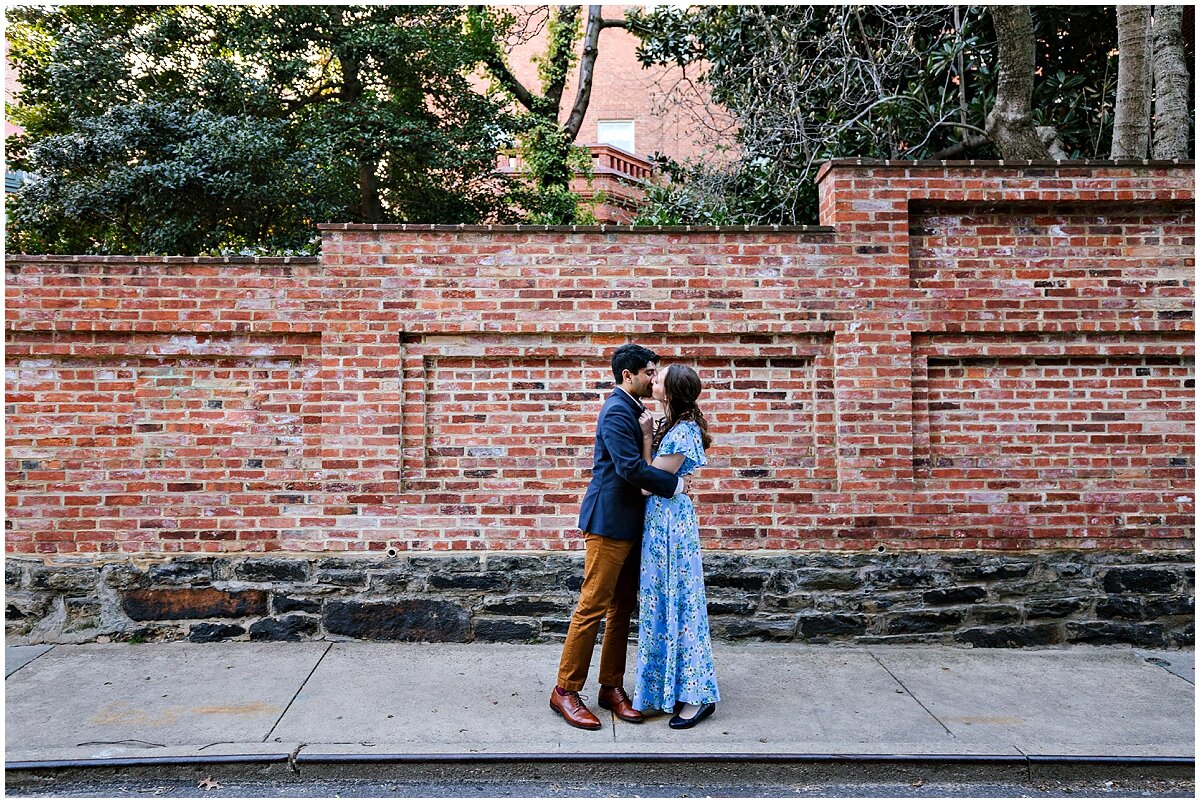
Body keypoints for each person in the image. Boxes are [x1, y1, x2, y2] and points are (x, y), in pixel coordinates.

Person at [549, 344, 689, 731]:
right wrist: (674, 485)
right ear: (627, 375)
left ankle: (610, 687)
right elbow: (629, 469)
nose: (653, 377)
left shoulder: (636, 411)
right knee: (592, 606)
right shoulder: (615, 410)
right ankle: (565, 690)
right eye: (648, 372)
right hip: (608, 522)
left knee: (622, 608)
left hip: (632, 524)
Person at [633, 363, 719, 729]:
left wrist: (647, 439)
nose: (652, 380)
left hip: (673, 526)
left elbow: (649, 483)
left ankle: (698, 696)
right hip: (660, 522)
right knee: (661, 603)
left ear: (672, 391)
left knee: (681, 603)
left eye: (659, 378)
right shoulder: (671, 424)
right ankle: (664, 690)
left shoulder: (683, 431)